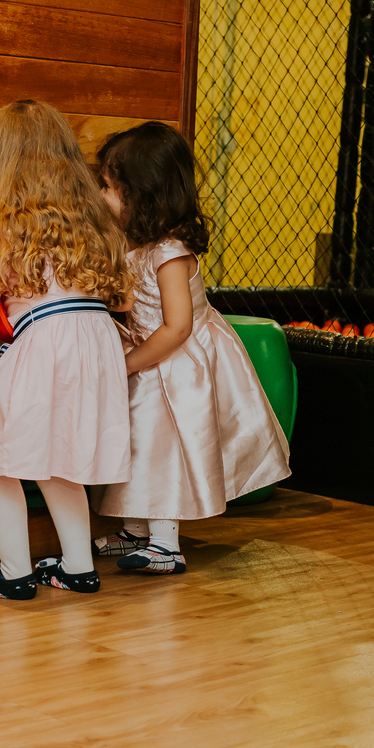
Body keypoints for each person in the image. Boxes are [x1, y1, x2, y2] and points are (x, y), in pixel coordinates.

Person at [0, 100, 135, 600]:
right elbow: (126, 298)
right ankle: (77, 567)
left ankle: (13, 573)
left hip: (45, 342)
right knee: (61, 456)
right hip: (95, 342)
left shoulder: (1, 222)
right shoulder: (96, 219)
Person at [89, 121, 292, 574]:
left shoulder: (170, 253)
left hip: (177, 366)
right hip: (150, 354)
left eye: (108, 187)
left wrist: (126, 364)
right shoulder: (134, 244)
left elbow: (177, 327)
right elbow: (129, 299)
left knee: (164, 447)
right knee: (136, 443)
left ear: (142, 194)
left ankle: (165, 543)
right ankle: (135, 531)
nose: (101, 196)